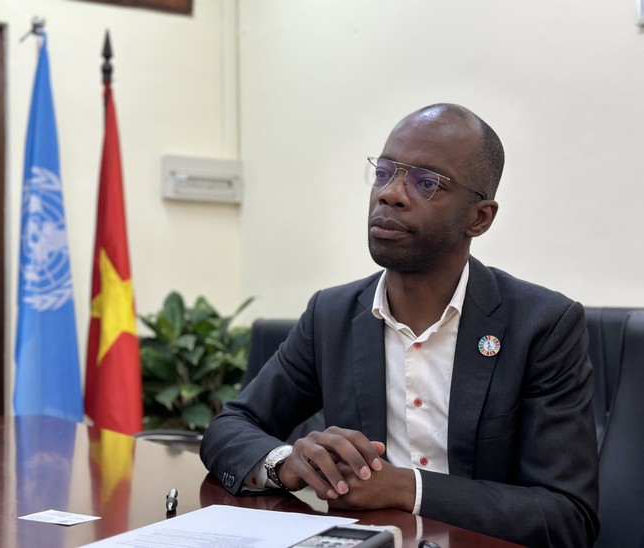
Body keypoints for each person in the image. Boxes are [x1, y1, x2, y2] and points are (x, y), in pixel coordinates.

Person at [199, 103, 599, 547]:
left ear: (479, 217)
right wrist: (286, 462)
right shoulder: (332, 315)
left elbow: (567, 516)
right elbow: (230, 427)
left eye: (426, 183)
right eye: (384, 172)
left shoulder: (542, 326)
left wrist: (404, 487)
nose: (391, 194)